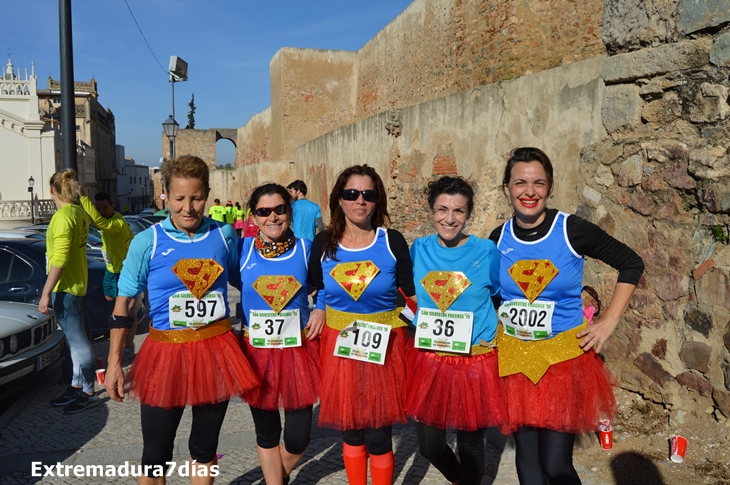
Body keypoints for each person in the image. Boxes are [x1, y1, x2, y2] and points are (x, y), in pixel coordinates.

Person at [490, 147, 644, 485]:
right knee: (527, 465)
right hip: (516, 361)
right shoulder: (497, 238)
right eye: (520, 183)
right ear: (506, 189)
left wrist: (609, 321)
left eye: (538, 183)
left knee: (555, 465)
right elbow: (492, 296)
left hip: (563, 360)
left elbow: (631, 263)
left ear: (549, 187)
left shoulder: (571, 230)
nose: (529, 192)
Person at [104, 155, 259, 484]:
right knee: (155, 457)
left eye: (197, 198)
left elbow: (245, 281)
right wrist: (115, 361)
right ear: (165, 196)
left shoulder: (224, 235)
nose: (188, 208)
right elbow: (126, 303)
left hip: (217, 352)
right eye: (179, 199)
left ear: (207, 194)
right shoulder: (147, 242)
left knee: (205, 449)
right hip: (164, 354)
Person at [307, 165, 415, 485]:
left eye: (368, 194)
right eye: (351, 194)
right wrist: (319, 309)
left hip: (385, 349)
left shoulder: (392, 241)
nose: (360, 201)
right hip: (339, 349)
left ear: (377, 200)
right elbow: (316, 289)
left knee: (380, 435)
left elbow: (411, 297)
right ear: (339, 200)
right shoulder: (323, 243)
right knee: (352, 433)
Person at [407, 176, 509, 485]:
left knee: (470, 443)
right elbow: (408, 293)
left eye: (458, 211)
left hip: (474, 358)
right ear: (431, 210)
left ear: (469, 214)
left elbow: (499, 296)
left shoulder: (487, 251)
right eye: (442, 209)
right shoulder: (419, 250)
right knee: (430, 445)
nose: (449, 219)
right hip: (432, 358)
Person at [239, 183, 321, 485]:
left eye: (280, 209)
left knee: (299, 437)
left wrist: (320, 308)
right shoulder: (242, 250)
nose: (272, 217)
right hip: (256, 351)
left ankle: (278, 475)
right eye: (263, 211)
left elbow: (325, 286)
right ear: (253, 216)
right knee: (267, 431)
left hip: (298, 350)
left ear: (290, 211)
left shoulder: (306, 248)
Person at [41, 169, 98, 414]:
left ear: (52, 190)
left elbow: (60, 259)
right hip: (75, 285)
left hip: (67, 288)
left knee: (79, 342)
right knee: (75, 342)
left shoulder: (63, 217)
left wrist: (46, 292)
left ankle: (87, 391)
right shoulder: (79, 213)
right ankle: (77, 386)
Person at [79, 191, 137, 357]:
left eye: (105, 208)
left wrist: (83, 196)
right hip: (111, 269)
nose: (102, 212)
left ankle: (128, 347)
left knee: (127, 310)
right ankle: (122, 322)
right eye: (98, 209)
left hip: (125, 270)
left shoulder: (116, 223)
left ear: (113, 206)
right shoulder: (108, 219)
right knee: (110, 298)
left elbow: (97, 221)